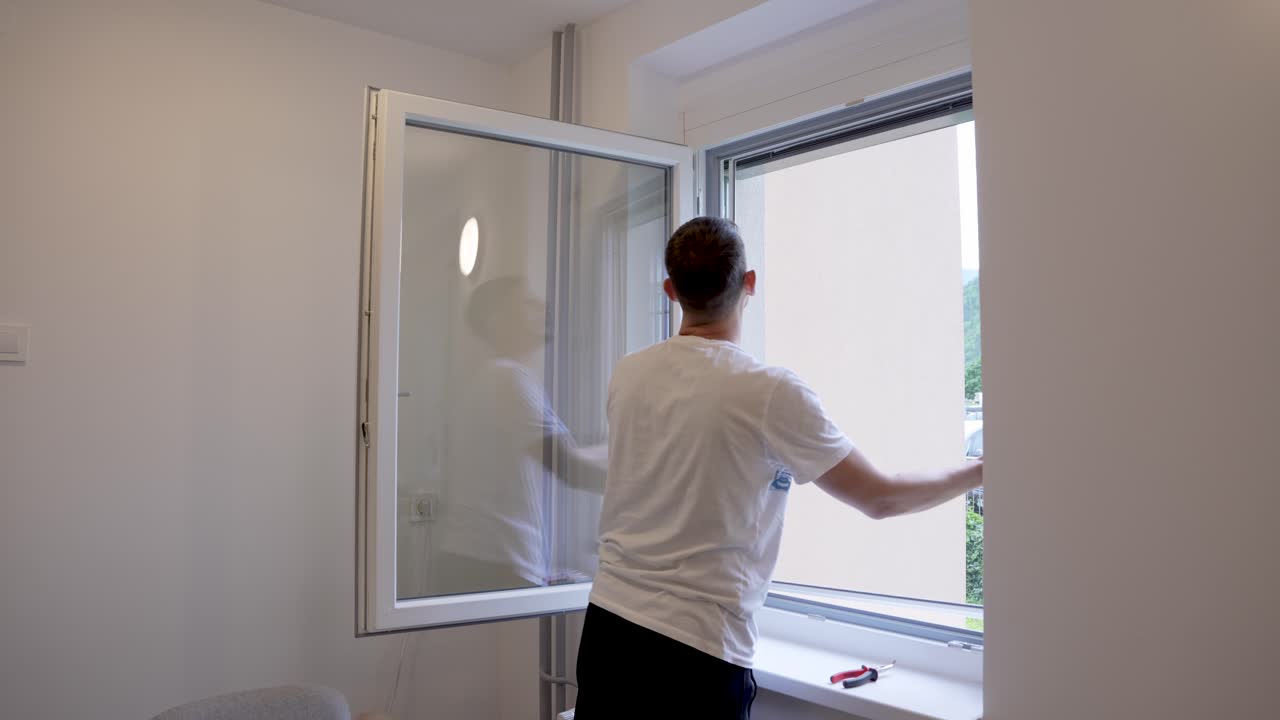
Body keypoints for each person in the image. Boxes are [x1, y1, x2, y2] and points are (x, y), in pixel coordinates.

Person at [573, 217, 983, 718]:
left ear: (671, 290)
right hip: (696, 649)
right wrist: (981, 471)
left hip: (609, 630)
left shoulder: (629, 373)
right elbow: (882, 497)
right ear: (750, 283)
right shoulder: (767, 391)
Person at [431, 276, 607, 595]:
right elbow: (573, 467)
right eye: (528, 302)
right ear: (499, 320)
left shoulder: (497, 378)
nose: (543, 307)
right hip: (488, 566)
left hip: (482, 561)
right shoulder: (507, 379)